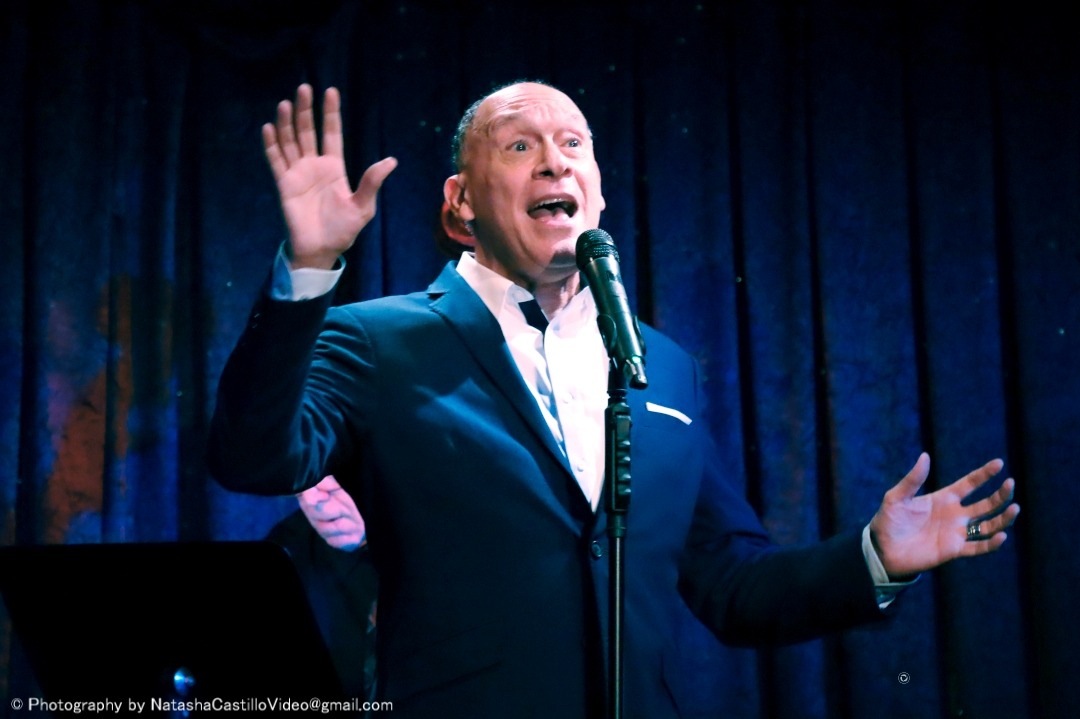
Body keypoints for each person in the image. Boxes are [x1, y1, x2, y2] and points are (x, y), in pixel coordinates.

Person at [207, 81, 1019, 718]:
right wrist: (307, 270)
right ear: (459, 204)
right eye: (520, 144)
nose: (554, 162)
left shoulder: (660, 365)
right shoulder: (377, 339)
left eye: (574, 144)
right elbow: (252, 458)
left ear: (597, 193)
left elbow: (732, 584)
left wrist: (873, 555)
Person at [266, 476, 378, 701]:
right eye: (303, 480)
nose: (311, 499)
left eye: (334, 474)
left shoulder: (447, 542)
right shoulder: (288, 549)